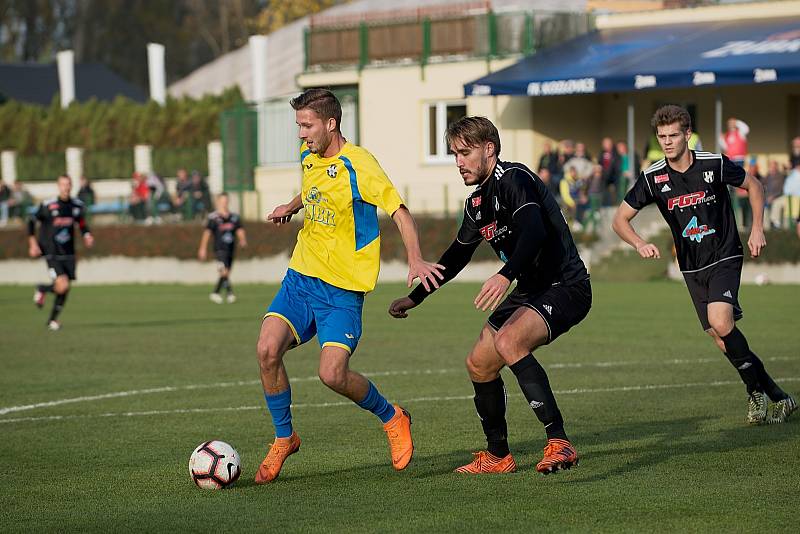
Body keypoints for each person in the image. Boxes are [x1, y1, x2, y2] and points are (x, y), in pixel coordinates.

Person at [254, 88, 444, 483]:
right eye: (298, 126)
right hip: (301, 279)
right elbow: (313, 189)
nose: (301, 134)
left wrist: (414, 257)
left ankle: (392, 417)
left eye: (306, 126)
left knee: (332, 375)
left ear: (331, 123)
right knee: (267, 350)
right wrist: (290, 208)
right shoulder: (309, 156)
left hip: (341, 291)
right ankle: (284, 438)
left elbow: (400, 212)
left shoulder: (361, 165)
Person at [389, 116, 592, 475]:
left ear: (489, 149)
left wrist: (504, 275)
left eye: (465, 153)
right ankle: (498, 456)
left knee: (510, 341)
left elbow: (534, 232)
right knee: (479, 363)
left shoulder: (515, 179)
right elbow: (455, 258)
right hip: (530, 288)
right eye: (454, 155)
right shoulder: (476, 204)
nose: (459, 162)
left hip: (565, 284)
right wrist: (415, 298)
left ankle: (559, 442)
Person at [612, 105, 796, 425]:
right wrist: (639, 243)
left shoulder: (713, 163)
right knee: (718, 334)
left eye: (673, 135)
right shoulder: (653, 177)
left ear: (687, 134)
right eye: (662, 137)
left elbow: (754, 185)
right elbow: (620, 219)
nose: (667, 142)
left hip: (724, 253)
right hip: (691, 265)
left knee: (721, 321)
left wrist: (756, 228)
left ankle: (757, 396)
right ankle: (776, 396)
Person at [28, 175, 94, 331]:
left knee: (64, 288)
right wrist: (33, 243)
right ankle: (43, 290)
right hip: (51, 251)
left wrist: (87, 235)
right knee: (62, 284)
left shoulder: (76, 205)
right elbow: (31, 221)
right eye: (63, 184)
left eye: (69, 184)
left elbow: (82, 223)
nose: (66, 187)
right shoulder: (49, 205)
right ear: (58, 186)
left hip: (69, 253)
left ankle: (51, 319)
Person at [198, 192, 247, 303]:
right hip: (219, 248)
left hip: (231, 248)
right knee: (224, 271)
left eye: (226, 201)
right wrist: (202, 248)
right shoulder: (213, 218)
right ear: (218, 202)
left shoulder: (234, 217)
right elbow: (207, 233)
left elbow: (239, 230)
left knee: (226, 272)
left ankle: (215, 293)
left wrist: (243, 240)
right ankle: (230, 293)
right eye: (222, 201)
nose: (224, 203)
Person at [763, 160, 786, 228]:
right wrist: (767, 197)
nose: (772, 169)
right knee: (762, 208)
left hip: (778, 197)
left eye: (774, 167)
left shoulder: (781, 177)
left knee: (776, 204)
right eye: (771, 167)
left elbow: (781, 190)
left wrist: (773, 197)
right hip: (767, 199)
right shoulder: (766, 177)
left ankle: (776, 224)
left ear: (776, 167)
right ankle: (766, 228)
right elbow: (761, 187)